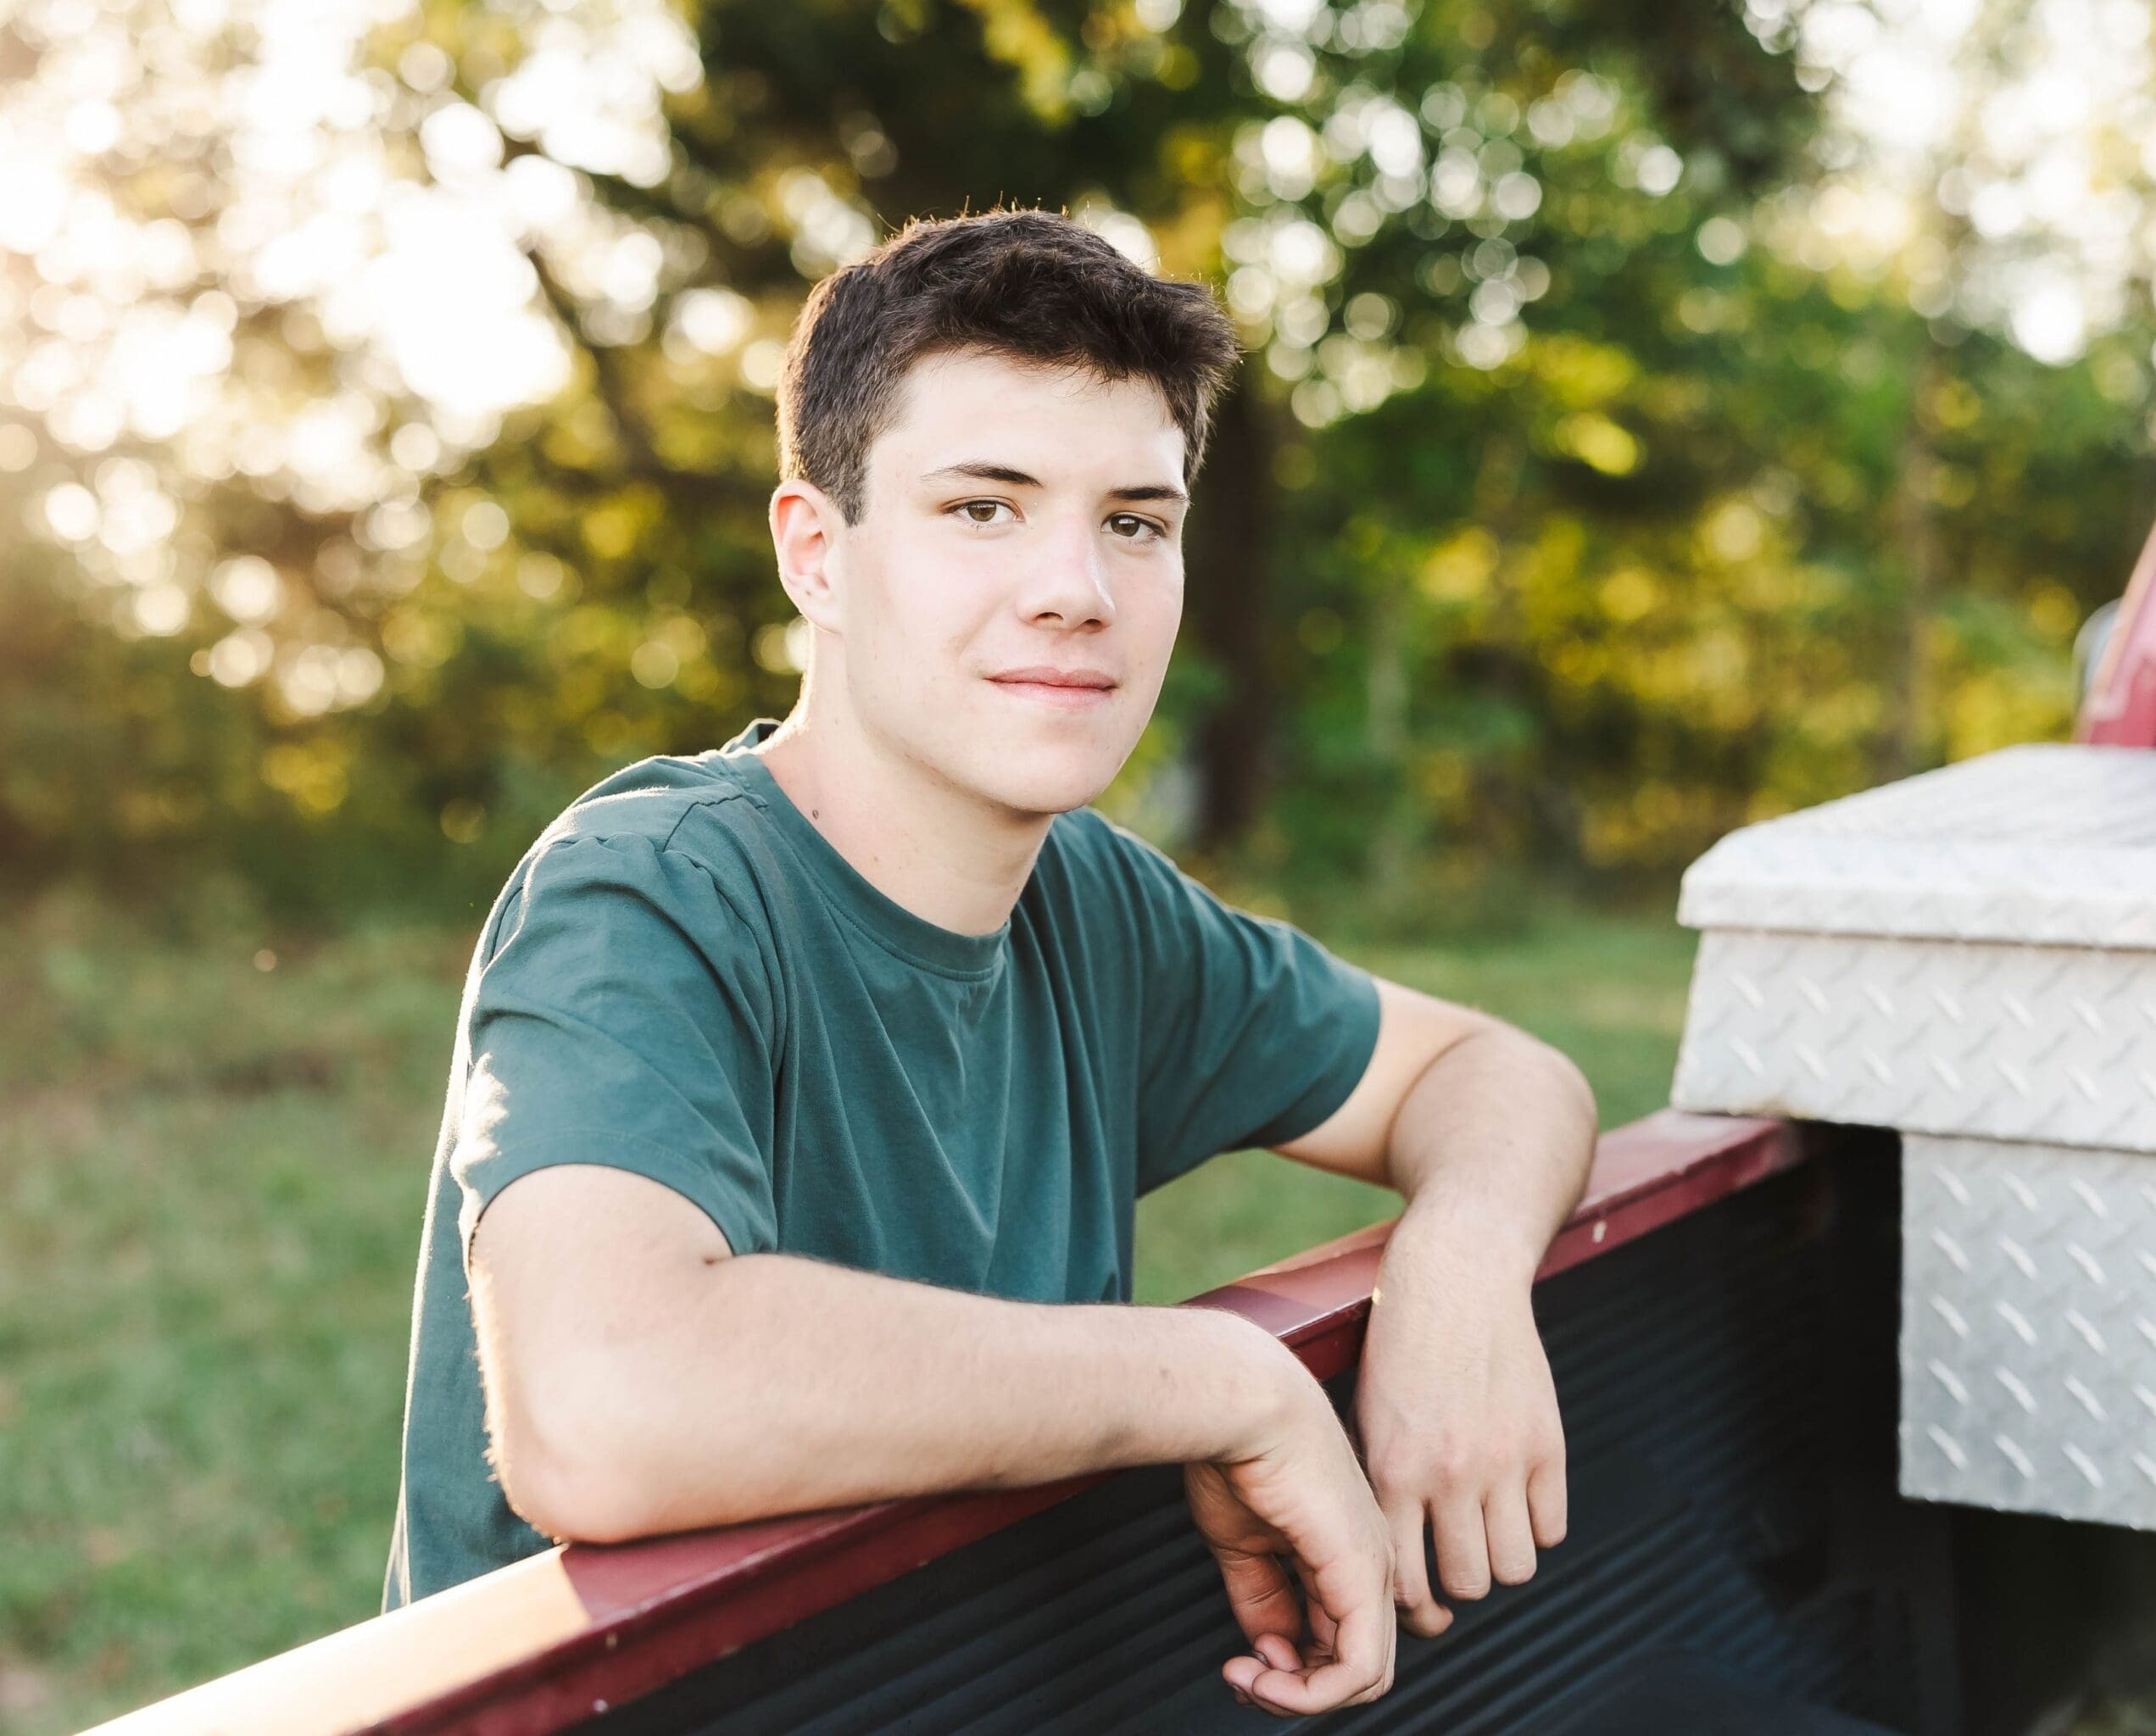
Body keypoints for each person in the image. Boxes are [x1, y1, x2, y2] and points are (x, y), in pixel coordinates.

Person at [381, 207, 1598, 1719]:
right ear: (816, 554)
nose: (1075, 587)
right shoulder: (648, 894)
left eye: (1135, 522)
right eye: (983, 507)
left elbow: (1495, 1074)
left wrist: (1465, 1267)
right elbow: (602, 1406)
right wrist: (1214, 1379)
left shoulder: (1095, 905)